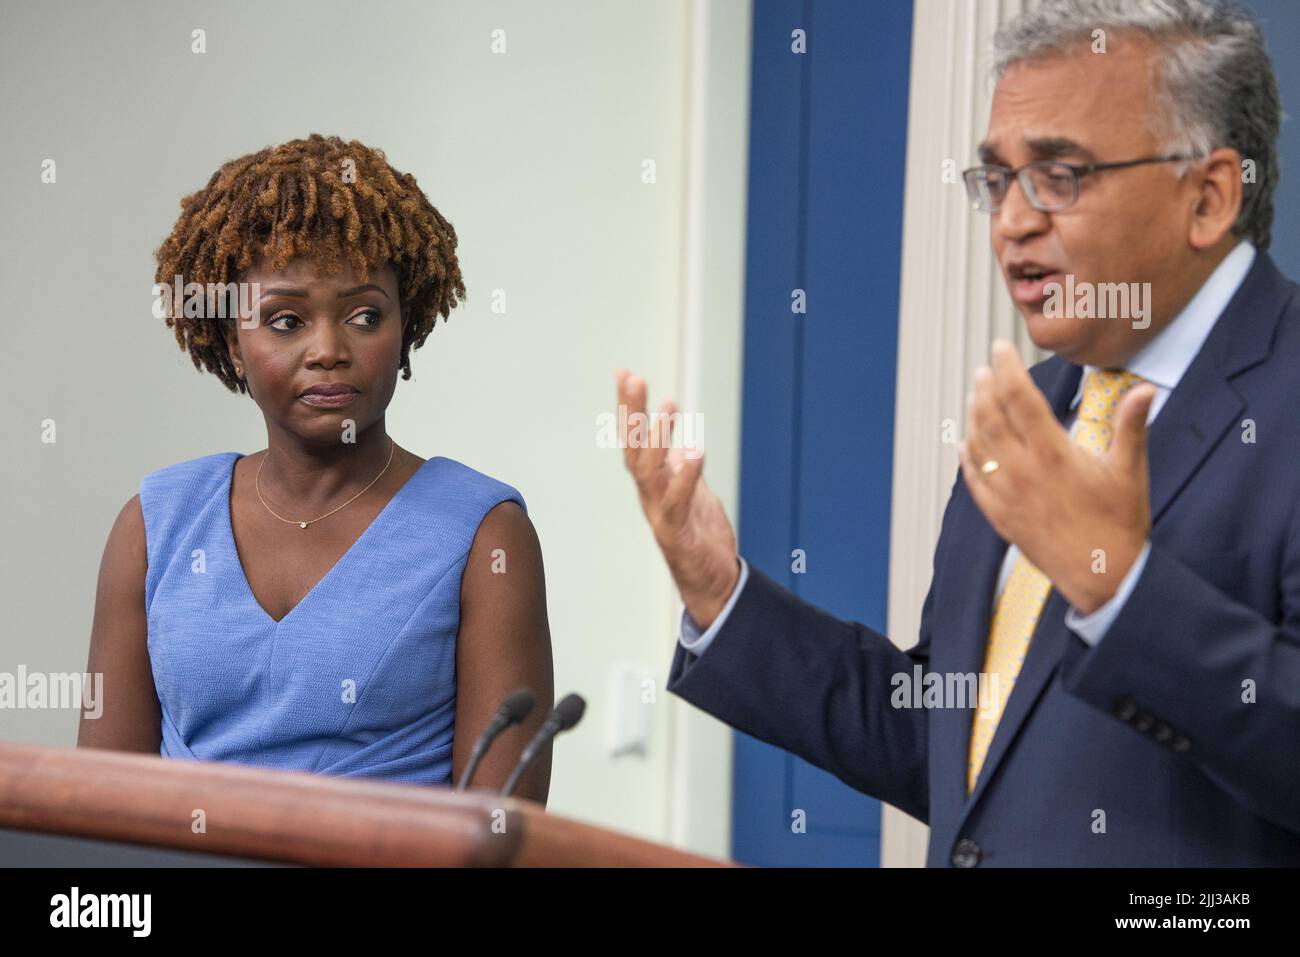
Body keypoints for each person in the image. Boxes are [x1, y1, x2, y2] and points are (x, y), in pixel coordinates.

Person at [617, 0, 1300, 864]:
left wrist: (1124, 589)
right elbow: (947, 740)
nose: (1012, 220)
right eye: (998, 179)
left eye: (1061, 175)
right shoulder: (1031, 411)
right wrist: (725, 596)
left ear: (1208, 196)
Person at [80, 134, 553, 803]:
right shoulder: (154, 526)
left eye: (364, 314)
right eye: (285, 320)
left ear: (406, 324)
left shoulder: (484, 537)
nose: (328, 349)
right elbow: (98, 814)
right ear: (231, 343)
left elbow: (505, 833)